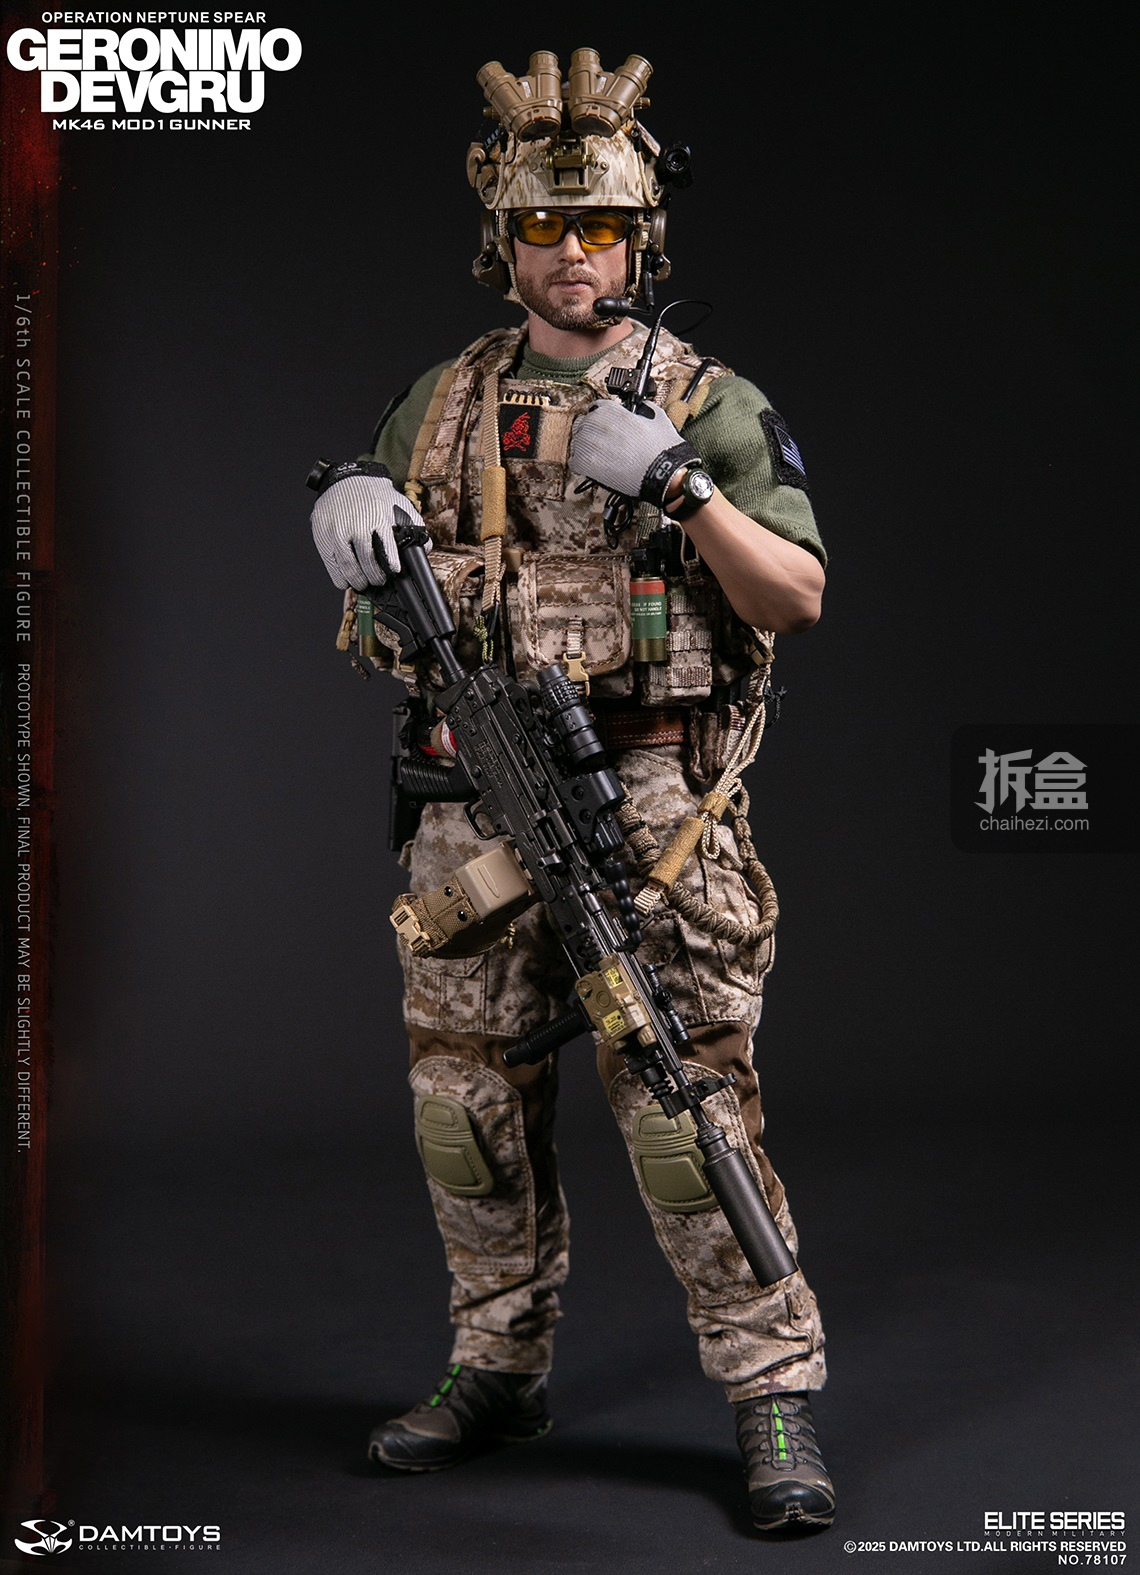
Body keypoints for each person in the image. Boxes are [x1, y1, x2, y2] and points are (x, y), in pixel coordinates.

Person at [309, 48, 834, 1533]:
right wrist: (347, 508)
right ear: (507, 240)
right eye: (546, 226)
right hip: (472, 806)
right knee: (464, 1108)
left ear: (641, 236)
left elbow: (795, 597)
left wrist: (681, 485)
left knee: (688, 1111)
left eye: (600, 225)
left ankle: (773, 1396)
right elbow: (381, 602)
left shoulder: (705, 400)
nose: (574, 254)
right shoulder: (445, 401)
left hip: (648, 812)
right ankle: (495, 1369)